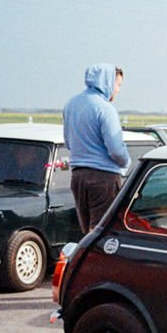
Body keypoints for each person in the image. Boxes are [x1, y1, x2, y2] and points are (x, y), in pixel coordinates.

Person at [63, 63, 130, 234]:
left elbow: (68, 142)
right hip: (103, 178)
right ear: (107, 81)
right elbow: (116, 150)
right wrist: (126, 162)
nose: (118, 90)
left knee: (87, 232)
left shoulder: (71, 104)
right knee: (102, 231)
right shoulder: (105, 108)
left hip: (78, 176)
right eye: (118, 85)